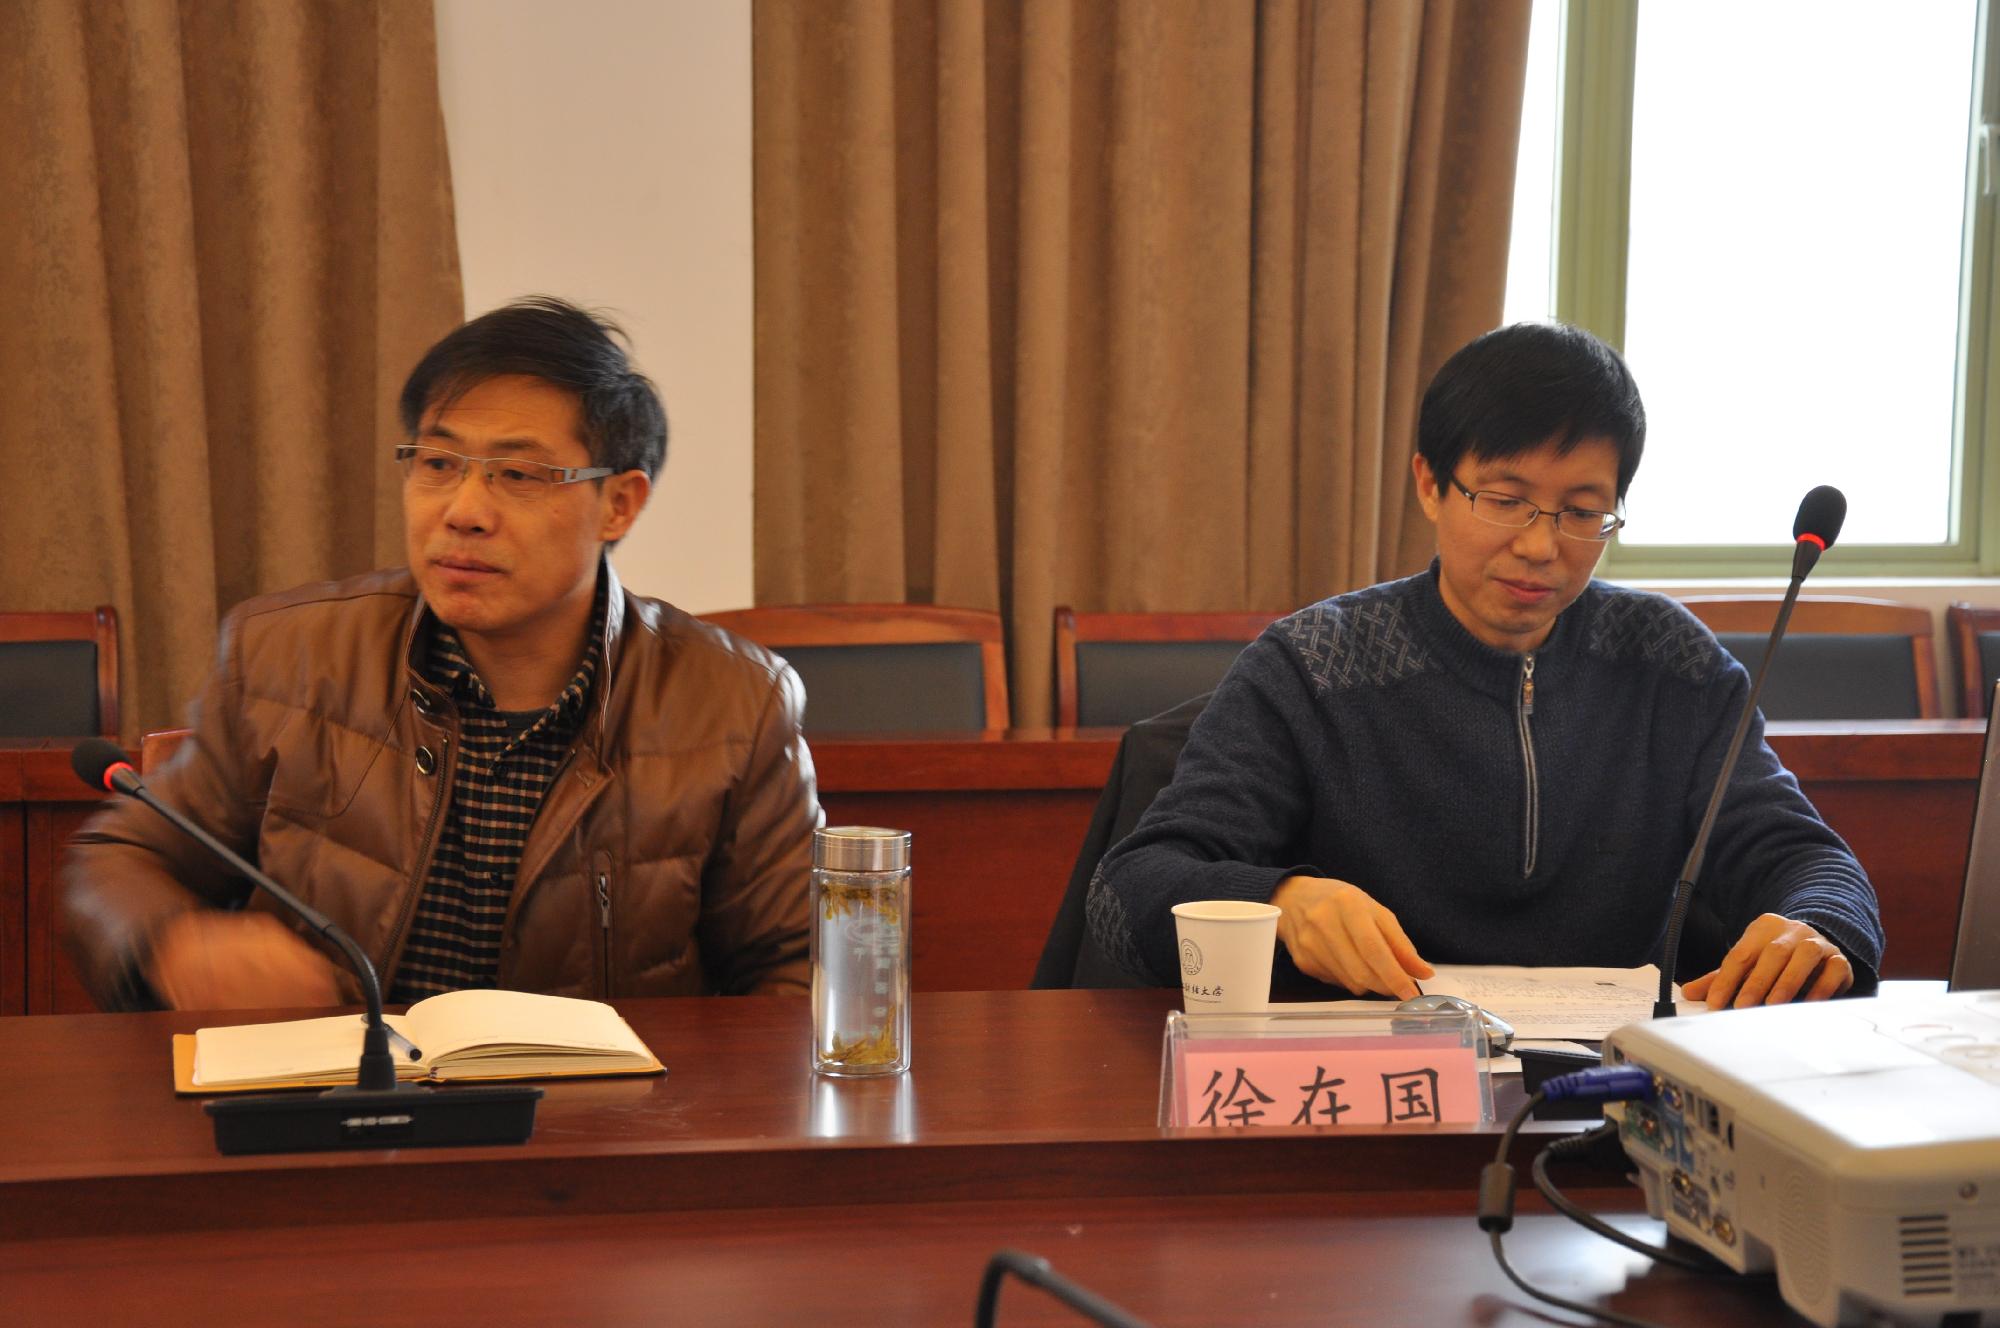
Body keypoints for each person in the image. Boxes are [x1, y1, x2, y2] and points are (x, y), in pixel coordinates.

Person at [1086, 321, 1883, 1010]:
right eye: (1505, 500)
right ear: (1431, 485)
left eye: (1582, 511)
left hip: (1612, 1083)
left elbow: (1805, 858)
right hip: (1378, 1078)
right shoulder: (1313, 667)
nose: (1541, 545)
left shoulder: (1674, 666)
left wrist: (1819, 926)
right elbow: (1130, 889)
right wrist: (1281, 901)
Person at [62, 297, 818, 1010]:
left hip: (604, 1103)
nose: (464, 511)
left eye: (518, 475)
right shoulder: (287, 657)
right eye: (437, 463)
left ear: (619, 503)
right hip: (337, 1091)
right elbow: (122, 859)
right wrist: (170, 944)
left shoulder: (734, 704)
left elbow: (797, 964)